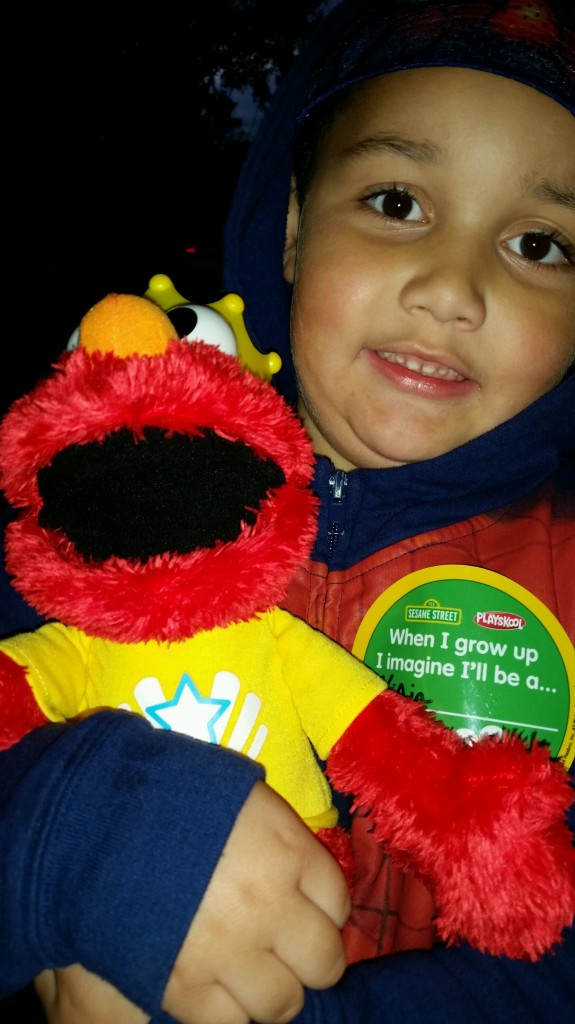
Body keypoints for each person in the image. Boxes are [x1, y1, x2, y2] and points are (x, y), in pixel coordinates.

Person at [1, 1, 574, 1022]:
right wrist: (63, 832)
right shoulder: (114, 491)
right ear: (296, 229)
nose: (451, 289)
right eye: (396, 202)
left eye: (539, 243)